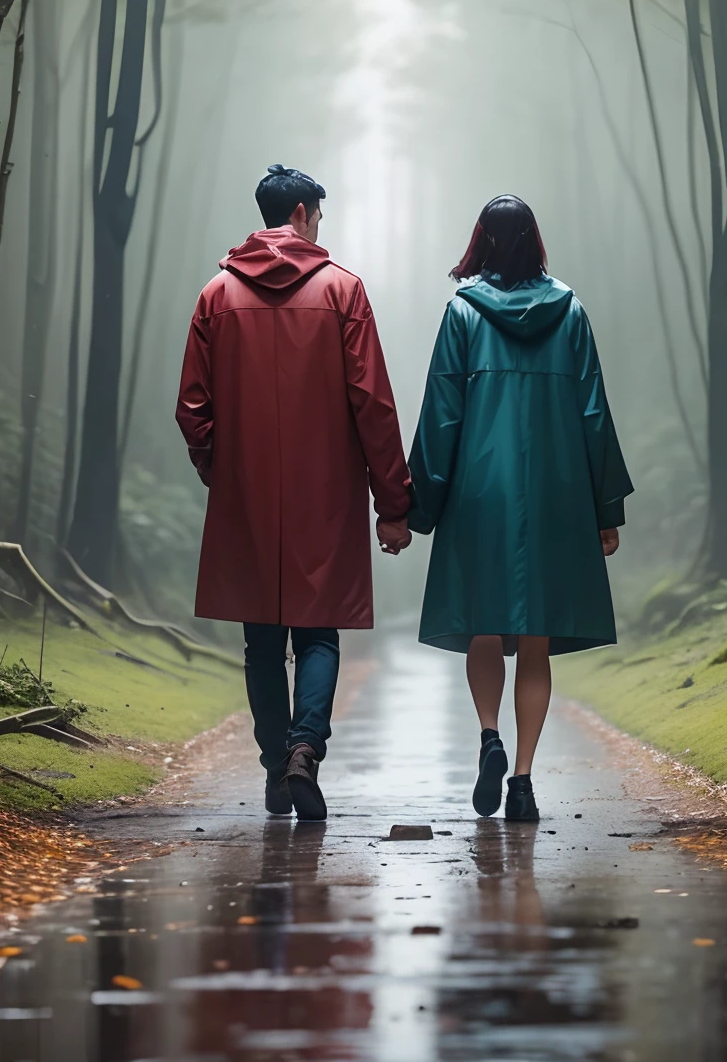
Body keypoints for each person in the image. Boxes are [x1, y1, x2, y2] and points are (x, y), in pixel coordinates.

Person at [176, 165, 412, 822]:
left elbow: (192, 410)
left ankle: (275, 762)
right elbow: (373, 406)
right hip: (327, 497)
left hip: (246, 496)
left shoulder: (215, 296)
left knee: (260, 641)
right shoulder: (344, 292)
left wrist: (218, 470)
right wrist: (392, 505)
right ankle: (306, 748)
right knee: (317, 636)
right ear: (306, 212)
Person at [404, 195, 633, 823]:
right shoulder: (572, 314)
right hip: (557, 495)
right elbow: (593, 414)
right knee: (534, 639)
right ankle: (525, 782)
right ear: (535, 242)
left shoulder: (461, 315)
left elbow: (442, 413)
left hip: (479, 494)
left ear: (480, 243)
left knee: (484, 623)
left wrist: (419, 502)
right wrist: (604, 507)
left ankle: (488, 736)